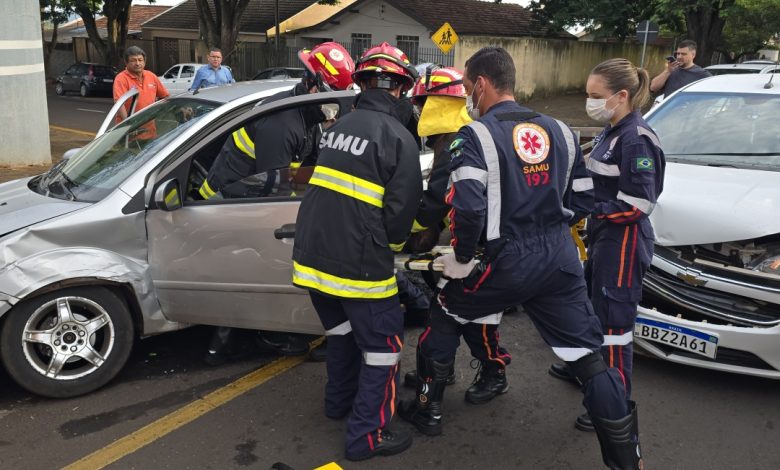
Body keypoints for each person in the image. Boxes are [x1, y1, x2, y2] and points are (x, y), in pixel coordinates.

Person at [397, 47, 643, 470]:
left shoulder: (473, 136)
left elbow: (470, 208)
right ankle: (628, 459)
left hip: (504, 258)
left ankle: (429, 409)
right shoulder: (562, 131)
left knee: (444, 317)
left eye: (469, 89)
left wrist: (461, 257)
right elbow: (583, 199)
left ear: (480, 84)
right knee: (588, 358)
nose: (469, 98)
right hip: (559, 257)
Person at [291, 42, 421, 462]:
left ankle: (338, 405)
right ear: (400, 89)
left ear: (361, 84)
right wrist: (395, 250)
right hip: (359, 269)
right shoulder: (399, 138)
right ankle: (368, 435)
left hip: (311, 261)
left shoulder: (338, 129)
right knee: (383, 348)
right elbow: (400, 219)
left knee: (343, 335)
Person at [201, 42, 355, 364]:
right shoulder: (284, 122)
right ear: (313, 85)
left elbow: (308, 164)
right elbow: (277, 183)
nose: (335, 105)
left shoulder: (306, 115)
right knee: (250, 266)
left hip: (247, 196)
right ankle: (238, 339)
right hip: (224, 201)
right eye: (332, 95)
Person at [549, 58, 665, 434]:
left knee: (615, 326)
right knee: (590, 308)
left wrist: (587, 212)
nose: (590, 102)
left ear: (621, 96)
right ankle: (586, 371)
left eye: (595, 96)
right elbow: (587, 166)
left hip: (624, 243)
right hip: (604, 238)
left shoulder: (636, 139)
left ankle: (612, 405)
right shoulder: (610, 131)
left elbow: (638, 205)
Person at [400, 65, 513, 404]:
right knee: (454, 315)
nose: (418, 111)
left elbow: (436, 202)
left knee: (474, 320)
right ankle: (441, 369)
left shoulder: (455, 139)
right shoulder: (467, 131)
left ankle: (494, 373)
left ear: (437, 105)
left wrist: (405, 229)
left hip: (478, 246)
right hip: (475, 240)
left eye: (423, 104)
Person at [113, 46, 169, 123]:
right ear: (126, 63)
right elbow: (119, 103)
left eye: (140, 60)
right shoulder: (121, 78)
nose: (137, 63)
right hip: (129, 128)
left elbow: (165, 96)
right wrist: (127, 124)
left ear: (144, 62)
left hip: (150, 124)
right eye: (133, 60)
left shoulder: (151, 75)